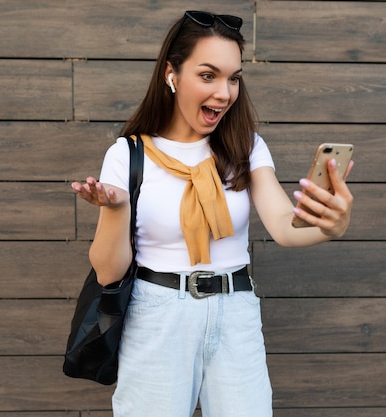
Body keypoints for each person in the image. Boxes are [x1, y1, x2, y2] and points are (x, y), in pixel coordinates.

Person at [72, 10, 353, 417]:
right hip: (158, 314)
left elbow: (285, 227)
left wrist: (332, 226)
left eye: (233, 78)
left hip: (235, 312)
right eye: (208, 76)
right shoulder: (129, 155)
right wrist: (116, 209)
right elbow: (108, 272)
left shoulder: (246, 145)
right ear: (172, 74)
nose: (224, 93)